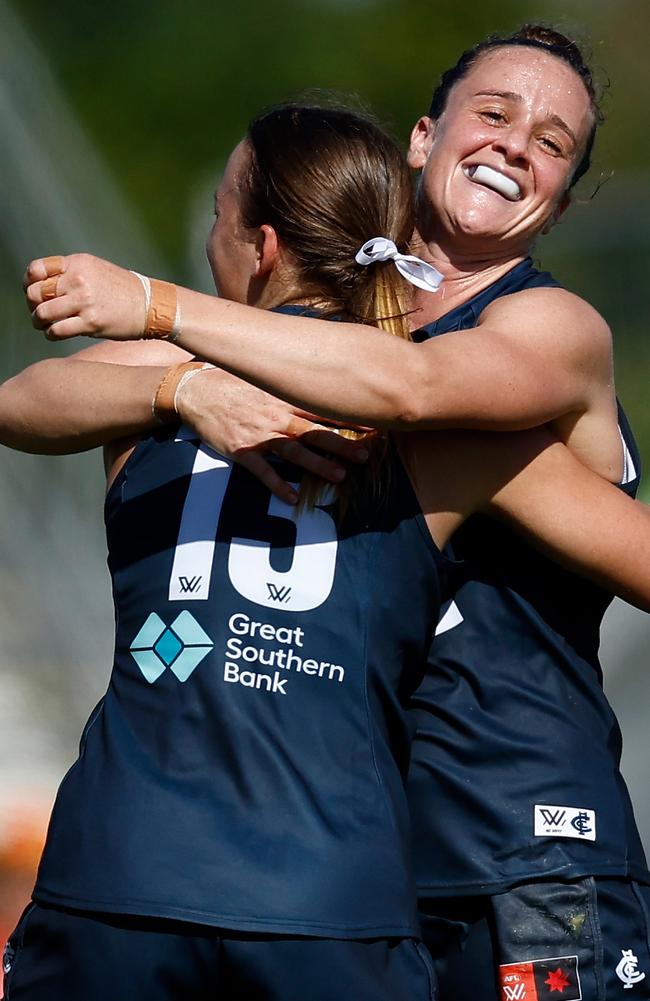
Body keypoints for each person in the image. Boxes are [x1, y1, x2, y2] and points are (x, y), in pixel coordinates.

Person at [10, 23, 650, 1000]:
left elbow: (408, 383)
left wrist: (154, 305)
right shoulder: (309, 359)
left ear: (561, 196)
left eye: (553, 141)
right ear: (423, 137)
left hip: (521, 846)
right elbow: (29, 400)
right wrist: (184, 384)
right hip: (367, 860)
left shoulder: (533, 336)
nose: (518, 143)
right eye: (494, 112)